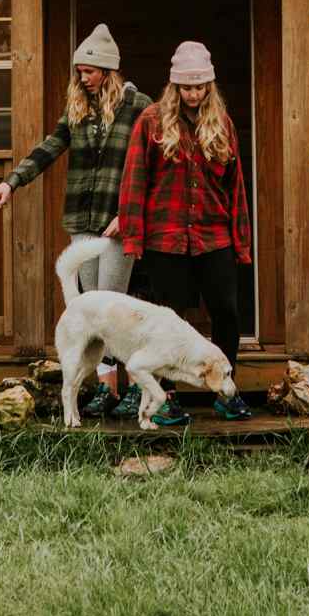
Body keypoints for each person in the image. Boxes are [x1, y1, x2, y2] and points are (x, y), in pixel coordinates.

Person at [0, 24, 150, 419]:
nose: (81, 77)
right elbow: (49, 147)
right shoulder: (78, 110)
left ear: (106, 70)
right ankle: (106, 389)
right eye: (79, 71)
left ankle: (133, 388)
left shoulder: (138, 106)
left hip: (117, 223)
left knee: (113, 306)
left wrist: (129, 212)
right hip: (81, 220)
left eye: (88, 71)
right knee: (92, 310)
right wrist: (11, 182)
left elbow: (153, 165)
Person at [118, 40, 254, 425]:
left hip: (215, 238)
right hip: (167, 239)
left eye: (199, 87)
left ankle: (227, 393)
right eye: (186, 87)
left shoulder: (222, 125)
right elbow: (134, 181)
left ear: (209, 86)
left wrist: (241, 243)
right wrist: (134, 236)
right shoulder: (151, 121)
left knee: (227, 312)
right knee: (169, 322)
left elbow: (236, 187)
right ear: (175, 87)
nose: (193, 94)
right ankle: (167, 399)